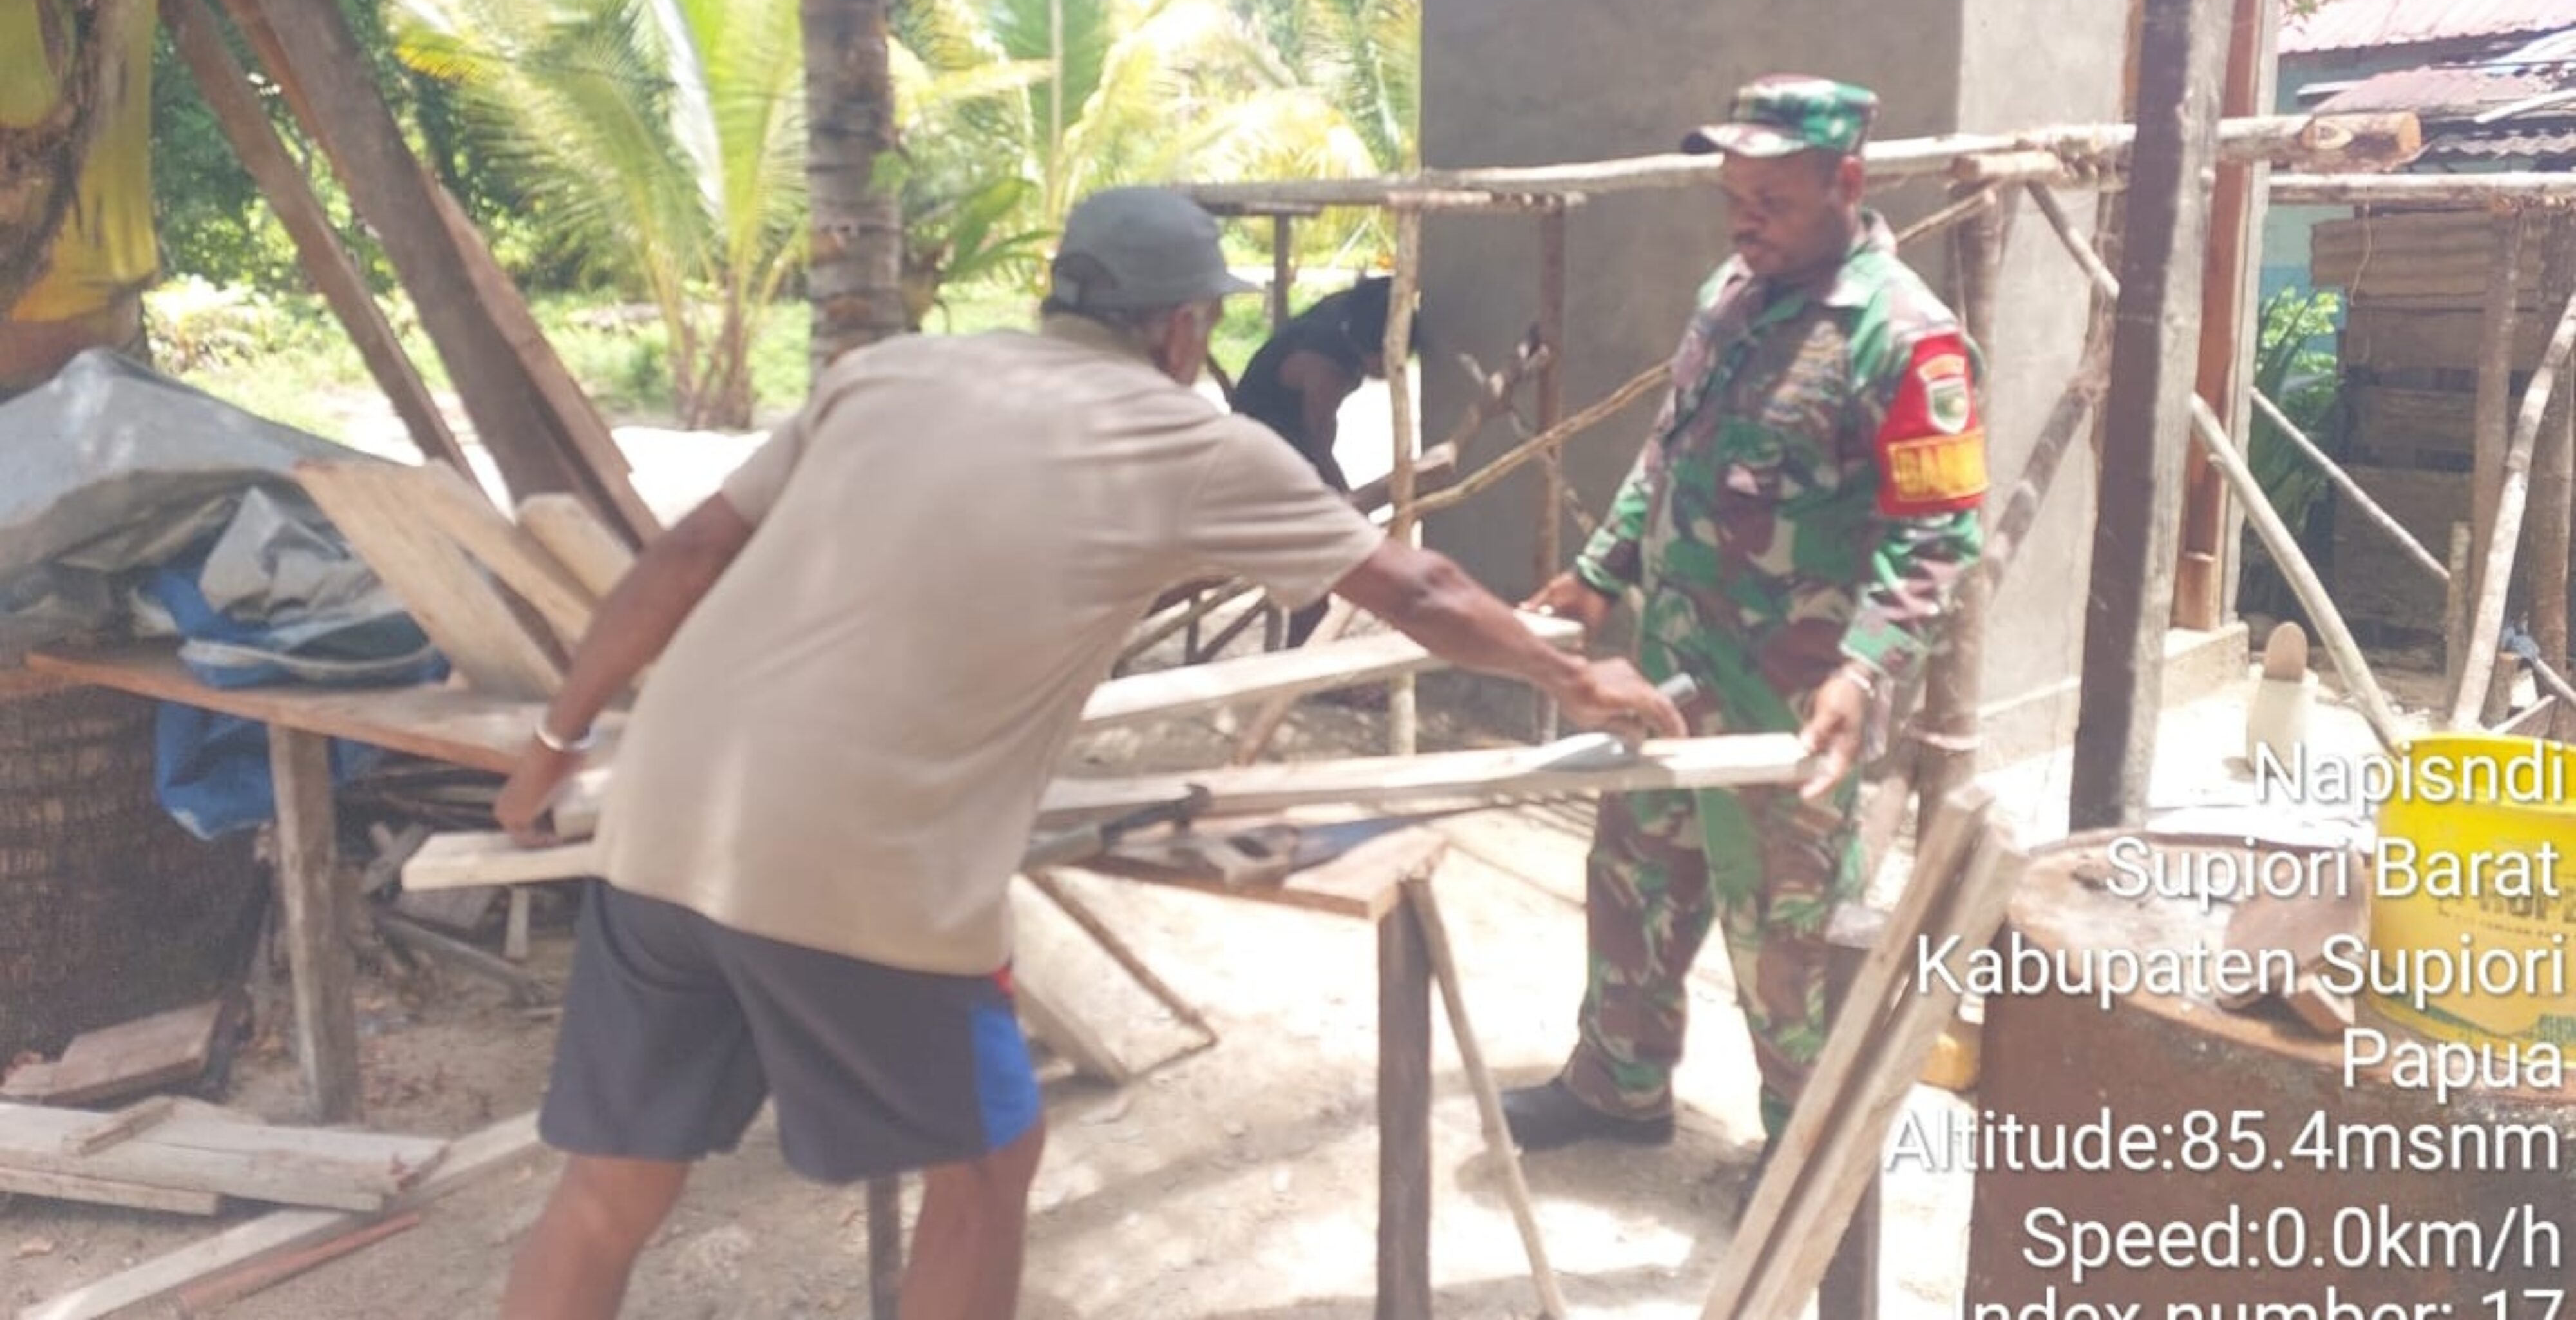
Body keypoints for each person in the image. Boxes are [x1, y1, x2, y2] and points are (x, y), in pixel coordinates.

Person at [486, 186, 1687, 1320]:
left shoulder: (888, 375)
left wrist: (554, 743)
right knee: (988, 1162)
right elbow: (1417, 582)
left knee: (614, 1183)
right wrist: (1576, 673)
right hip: (853, 862)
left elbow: (687, 554)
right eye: (1209, 323)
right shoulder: (1193, 443)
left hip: (659, 815)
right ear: (1180, 328)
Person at [1500, 76, 1989, 1160]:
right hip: (1677, 670)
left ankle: (1808, 1156)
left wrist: (1862, 672)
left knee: (1791, 931)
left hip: (1792, 696)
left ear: (1845, 183)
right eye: (1734, 194)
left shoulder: (1906, 338)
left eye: (1771, 197)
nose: (1744, 218)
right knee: (1635, 869)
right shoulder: (1730, 290)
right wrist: (1600, 567)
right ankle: (1617, 1084)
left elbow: (1938, 533)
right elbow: (1669, 448)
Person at [1226, 275, 1415, 646]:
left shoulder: (1349, 313)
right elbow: (1318, 446)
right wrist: (1349, 503)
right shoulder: (1324, 368)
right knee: (1311, 559)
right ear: (1377, 350)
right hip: (1263, 448)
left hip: (1278, 437)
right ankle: (1306, 660)